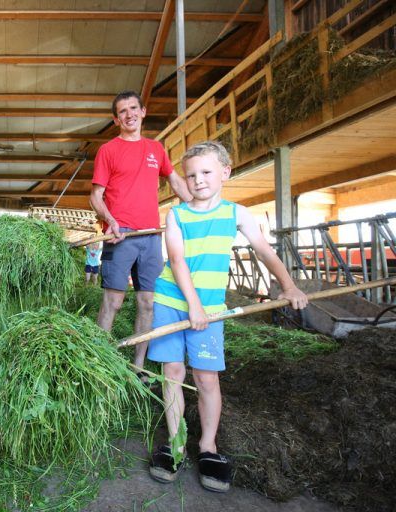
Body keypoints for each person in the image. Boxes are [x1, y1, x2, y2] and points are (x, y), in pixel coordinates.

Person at [147, 141, 308, 492]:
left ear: (225, 172)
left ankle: (208, 447)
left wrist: (289, 286)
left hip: (211, 307)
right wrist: (193, 305)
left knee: (206, 378)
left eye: (206, 172)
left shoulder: (237, 214)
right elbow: (176, 261)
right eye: (191, 175)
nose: (198, 180)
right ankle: (175, 444)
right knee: (172, 372)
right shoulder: (176, 215)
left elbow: (264, 250)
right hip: (172, 300)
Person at [90, 90, 192, 378]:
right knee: (114, 301)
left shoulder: (155, 149)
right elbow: (95, 196)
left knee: (147, 302)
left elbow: (175, 182)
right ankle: (97, 362)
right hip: (120, 236)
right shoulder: (108, 150)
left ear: (143, 112)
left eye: (134, 108)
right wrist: (110, 220)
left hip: (150, 237)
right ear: (116, 119)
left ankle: (138, 367)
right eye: (123, 111)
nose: (129, 114)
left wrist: (199, 210)